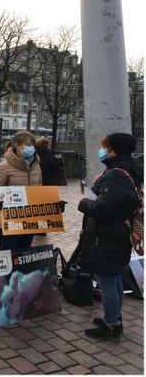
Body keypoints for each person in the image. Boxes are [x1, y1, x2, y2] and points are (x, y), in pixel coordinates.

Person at [77, 133, 142, 341]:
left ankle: (111, 325)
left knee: (107, 279)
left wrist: (84, 203)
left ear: (115, 150)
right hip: (116, 233)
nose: (102, 150)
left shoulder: (116, 174)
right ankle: (114, 317)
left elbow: (103, 208)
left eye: (105, 147)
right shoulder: (126, 170)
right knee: (113, 277)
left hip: (109, 235)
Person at [0, 131, 43, 251]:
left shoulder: (36, 166)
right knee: (9, 257)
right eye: (27, 144)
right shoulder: (3, 167)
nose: (31, 148)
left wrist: (54, 204)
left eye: (32, 145)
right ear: (17, 145)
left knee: (23, 257)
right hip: (9, 221)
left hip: (29, 220)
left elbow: (40, 190)